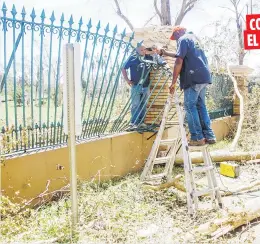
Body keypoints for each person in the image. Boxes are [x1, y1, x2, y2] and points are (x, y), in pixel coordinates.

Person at [160, 26, 216, 146]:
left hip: (193, 77)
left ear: (179, 32)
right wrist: (165, 53)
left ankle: (197, 137)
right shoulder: (194, 39)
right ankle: (209, 136)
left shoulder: (183, 39)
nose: (175, 40)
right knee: (201, 106)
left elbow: (179, 61)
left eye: (175, 37)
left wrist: (173, 82)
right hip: (203, 77)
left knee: (190, 106)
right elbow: (181, 54)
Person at [122, 45, 156, 128]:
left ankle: (141, 122)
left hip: (146, 86)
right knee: (135, 104)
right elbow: (123, 68)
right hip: (136, 85)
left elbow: (156, 56)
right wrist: (127, 80)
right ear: (137, 51)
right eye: (141, 50)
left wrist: (153, 50)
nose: (143, 51)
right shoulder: (132, 58)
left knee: (143, 104)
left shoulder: (149, 58)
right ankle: (134, 123)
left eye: (144, 49)